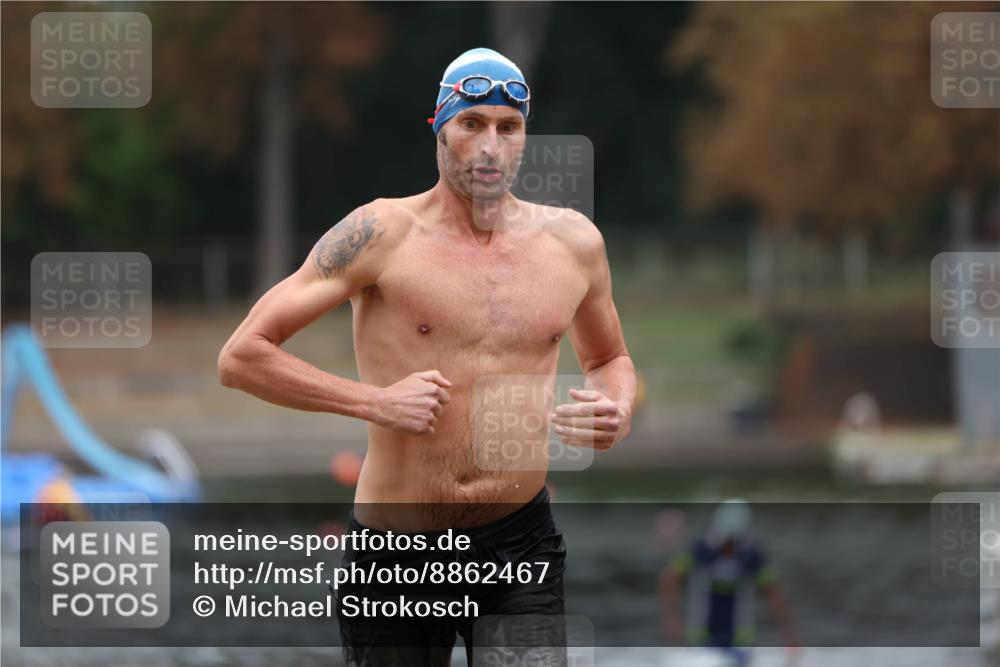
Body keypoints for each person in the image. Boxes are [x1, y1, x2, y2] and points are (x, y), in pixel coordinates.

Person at [218, 47, 636, 666]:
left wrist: (618, 408)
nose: (490, 145)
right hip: (395, 549)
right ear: (439, 127)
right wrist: (375, 402)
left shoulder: (573, 244)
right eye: (472, 124)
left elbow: (610, 358)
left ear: (524, 137)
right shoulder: (380, 233)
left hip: (519, 543)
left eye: (508, 126)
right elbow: (241, 357)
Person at [660, 499, 800, 667]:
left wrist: (790, 636)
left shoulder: (751, 555)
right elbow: (669, 578)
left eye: (733, 540)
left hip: (739, 637)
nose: (728, 546)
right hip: (701, 634)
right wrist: (672, 617)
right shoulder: (700, 550)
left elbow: (775, 594)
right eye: (726, 539)